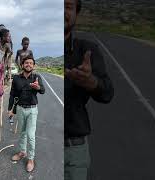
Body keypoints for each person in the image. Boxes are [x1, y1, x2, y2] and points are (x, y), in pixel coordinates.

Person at [65, 0, 114, 179]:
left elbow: (108, 93)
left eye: (68, 6)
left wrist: (91, 81)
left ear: (76, 13)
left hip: (72, 150)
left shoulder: (87, 50)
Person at [8, 55, 45, 172]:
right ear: (22, 65)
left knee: (30, 135)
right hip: (20, 108)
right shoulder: (16, 78)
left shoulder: (36, 77)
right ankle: (22, 152)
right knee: (22, 132)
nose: (28, 65)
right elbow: (12, 94)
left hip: (32, 110)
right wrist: (11, 110)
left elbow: (43, 91)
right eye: (26, 63)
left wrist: (38, 87)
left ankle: (31, 159)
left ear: (33, 66)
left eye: (31, 63)